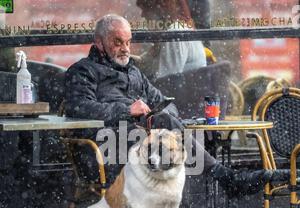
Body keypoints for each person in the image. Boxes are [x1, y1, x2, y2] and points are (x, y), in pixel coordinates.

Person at [65, 14, 287, 196]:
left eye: (128, 41)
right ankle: (226, 180)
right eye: (117, 42)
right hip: (105, 146)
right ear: (99, 42)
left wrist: (159, 118)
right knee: (169, 136)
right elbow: (78, 107)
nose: (125, 48)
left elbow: (164, 103)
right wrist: (127, 110)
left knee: (168, 128)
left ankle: (195, 207)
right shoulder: (83, 70)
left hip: (143, 144)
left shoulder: (134, 72)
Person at [135, 0, 207, 82]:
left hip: (182, 92)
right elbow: (145, 63)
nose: (142, 14)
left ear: (159, 9)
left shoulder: (175, 34)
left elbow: (165, 83)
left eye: (146, 9)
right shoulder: (170, 32)